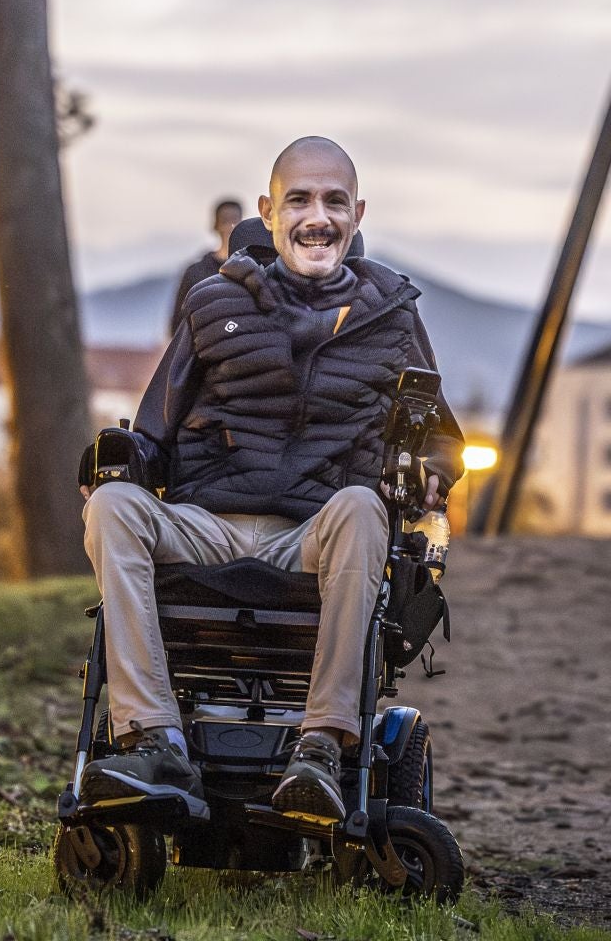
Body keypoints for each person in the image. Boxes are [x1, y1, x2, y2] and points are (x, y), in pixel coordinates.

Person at [79, 137, 464, 821]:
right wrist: (119, 464)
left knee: (362, 506)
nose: (317, 216)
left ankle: (320, 748)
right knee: (114, 505)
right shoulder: (211, 304)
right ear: (268, 211)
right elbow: (154, 431)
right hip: (207, 527)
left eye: (334, 201)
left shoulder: (395, 316)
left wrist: (432, 471)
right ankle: (154, 738)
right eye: (299, 200)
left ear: (356, 213)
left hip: (315, 533)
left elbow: (440, 438)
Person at [168, 197, 244, 333]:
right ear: (216, 225)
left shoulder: (254, 270)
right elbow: (178, 325)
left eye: (235, 220)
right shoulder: (195, 273)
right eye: (225, 221)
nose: (230, 226)